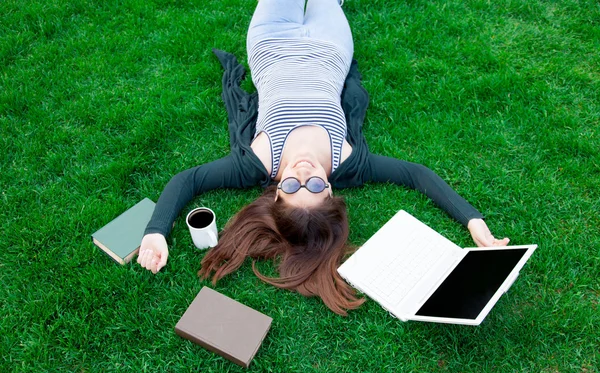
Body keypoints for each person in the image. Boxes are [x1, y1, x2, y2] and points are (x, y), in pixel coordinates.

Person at [137, 0, 509, 315]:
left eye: (293, 185)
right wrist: (473, 221)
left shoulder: (256, 162)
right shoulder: (348, 162)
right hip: (331, 48)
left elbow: (188, 180)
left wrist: (156, 232)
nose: (303, 172)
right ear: (329, 191)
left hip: (271, 39)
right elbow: (415, 175)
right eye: (314, 185)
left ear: (277, 192)